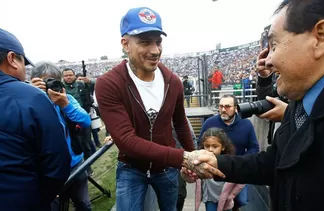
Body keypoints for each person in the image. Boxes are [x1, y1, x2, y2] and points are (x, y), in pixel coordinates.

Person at [186, 0, 324, 210]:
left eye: (274, 46)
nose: (268, 61)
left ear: (321, 37)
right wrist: (218, 163)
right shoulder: (301, 101)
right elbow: (275, 162)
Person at [95, 7, 223, 210]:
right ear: (125, 44)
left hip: (166, 169)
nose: (155, 50)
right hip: (131, 168)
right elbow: (126, 141)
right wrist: (183, 158)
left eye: (158, 41)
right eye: (145, 42)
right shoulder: (109, 83)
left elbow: (180, 122)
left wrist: (193, 158)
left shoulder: (173, 81)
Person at [0, 28, 71, 210]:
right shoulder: (30, 96)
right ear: (12, 59)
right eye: (24, 63)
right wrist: (40, 198)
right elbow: (57, 162)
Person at [30, 61, 92, 211]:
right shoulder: (29, 103)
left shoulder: (66, 99)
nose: (50, 86)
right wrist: (30, 93)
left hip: (75, 163)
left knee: (83, 203)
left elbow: (85, 120)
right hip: (48, 169)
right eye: (46, 82)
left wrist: (65, 105)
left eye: (54, 81)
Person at [198, 95, 259, 210]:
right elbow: (200, 143)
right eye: (221, 106)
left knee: (242, 199)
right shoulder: (209, 123)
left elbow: (254, 147)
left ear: (235, 108)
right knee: (215, 200)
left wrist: (243, 162)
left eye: (227, 106)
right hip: (216, 168)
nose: (223, 109)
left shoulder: (246, 124)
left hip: (239, 169)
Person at [182, 128, 244, 211]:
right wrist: (185, 173)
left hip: (225, 201)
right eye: (207, 146)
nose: (210, 149)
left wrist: (231, 195)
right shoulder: (200, 162)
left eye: (215, 146)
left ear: (223, 147)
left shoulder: (229, 162)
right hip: (210, 199)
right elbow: (191, 179)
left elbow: (241, 181)